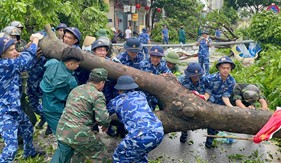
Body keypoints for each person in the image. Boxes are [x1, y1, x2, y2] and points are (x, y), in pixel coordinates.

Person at [0, 34, 45, 162]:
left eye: (15, 48)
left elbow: (23, 61)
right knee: (11, 148)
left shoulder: (8, 62)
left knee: (27, 127)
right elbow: (26, 58)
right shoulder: (5, 65)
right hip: (5, 113)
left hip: (13, 107)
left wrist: (29, 47)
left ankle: (29, 152)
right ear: (2, 54)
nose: (15, 52)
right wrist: (35, 39)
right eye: (11, 50)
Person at [54, 68, 111, 163]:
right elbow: (103, 118)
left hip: (62, 129)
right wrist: (106, 125)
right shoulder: (98, 95)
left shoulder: (76, 89)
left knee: (79, 150)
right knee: (100, 150)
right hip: (78, 132)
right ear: (101, 82)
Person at [107, 75, 164, 162]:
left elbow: (104, 113)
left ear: (119, 90)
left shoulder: (117, 101)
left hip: (140, 135)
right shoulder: (141, 95)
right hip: (158, 132)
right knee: (140, 155)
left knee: (119, 156)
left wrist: (104, 123)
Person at [40, 46, 84, 136]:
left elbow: (46, 66)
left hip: (46, 103)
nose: (78, 66)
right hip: (57, 109)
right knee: (62, 134)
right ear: (70, 64)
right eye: (77, 64)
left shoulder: (51, 63)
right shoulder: (70, 80)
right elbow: (73, 97)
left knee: (58, 129)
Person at [204, 56, 236, 148]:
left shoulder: (231, 81)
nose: (225, 70)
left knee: (220, 123)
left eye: (228, 68)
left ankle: (214, 135)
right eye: (223, 68)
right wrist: (203, 101)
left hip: (222, 105)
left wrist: (231, 107)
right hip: (211, 104)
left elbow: (226, 96)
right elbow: (207, 93)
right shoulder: (210, 78)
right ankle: (209, 144)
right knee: (211, 124)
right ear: (219, 68)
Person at [178, 63, 206, 143]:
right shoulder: (181, 80)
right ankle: (184, 133)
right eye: (193, 76)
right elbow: (177, 93)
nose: (196, 77)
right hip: (185, 102)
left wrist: (204, 97)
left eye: (197, 75)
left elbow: (209, 89)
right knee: (185, 118)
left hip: (199, 102)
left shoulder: (204, 79)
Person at [140, 46, 171, 110]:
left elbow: (169, 75)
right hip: (146, 94)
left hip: (158, 93)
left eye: (158, 57)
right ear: (150, 56)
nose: (155, 59)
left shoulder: (163, 64)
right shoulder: (143, 65)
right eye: (153, 56)